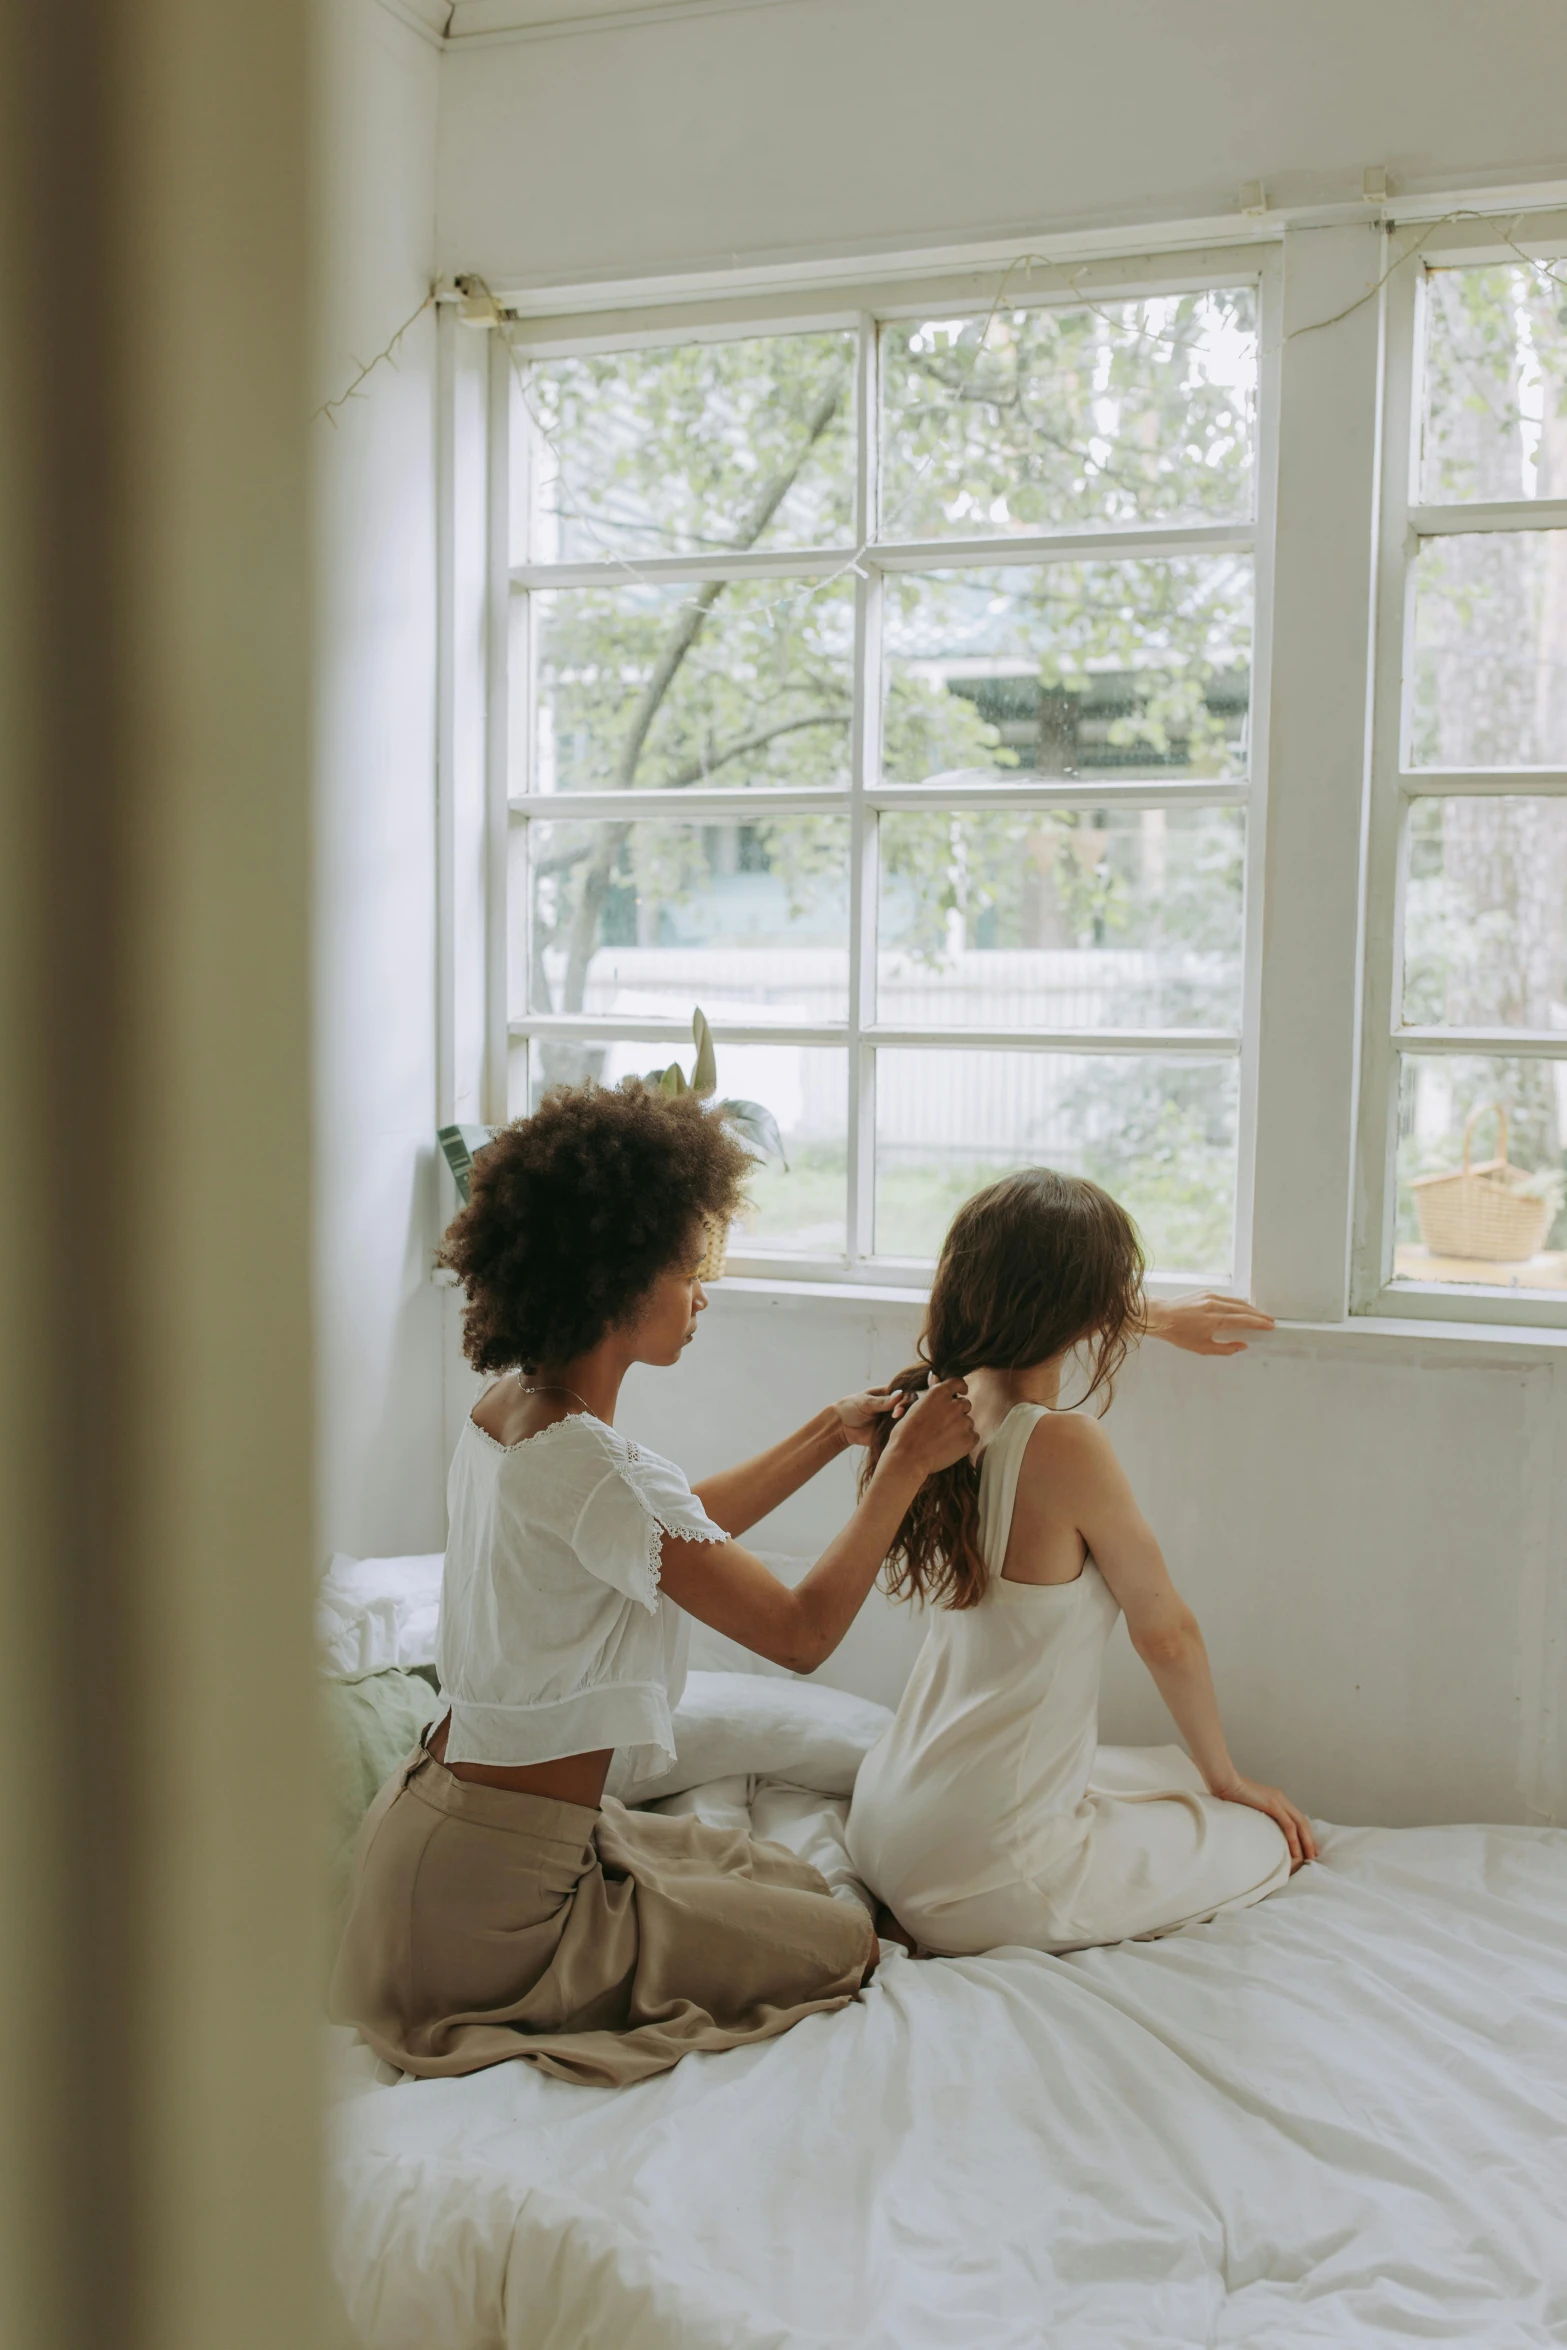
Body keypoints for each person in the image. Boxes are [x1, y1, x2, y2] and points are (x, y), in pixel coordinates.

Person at [331, 1078, 974, 2087]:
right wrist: (903, 1469)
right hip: (494, 1905)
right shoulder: (589, 1463)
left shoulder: (515, 1412)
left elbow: (665, 1530)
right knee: (837, 1942)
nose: (702, 1290)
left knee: (784, 1872)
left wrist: (827, 1432)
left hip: (437, 1841)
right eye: (688, 1265)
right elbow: (802, 1633)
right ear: (618, 1277)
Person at [846, 1168, 1315, 1960]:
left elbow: (1036, 1306)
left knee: (1150, 1770)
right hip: (983, 1875)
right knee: (1260, 1839)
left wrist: (1152, 1319)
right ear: (1088, 1306)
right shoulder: (1062, 1443)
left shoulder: (943, 1407)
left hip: (886, 1823)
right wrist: (1230, 1780)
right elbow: (1164, 1633)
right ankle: (950, 1915)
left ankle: (923, 1904)